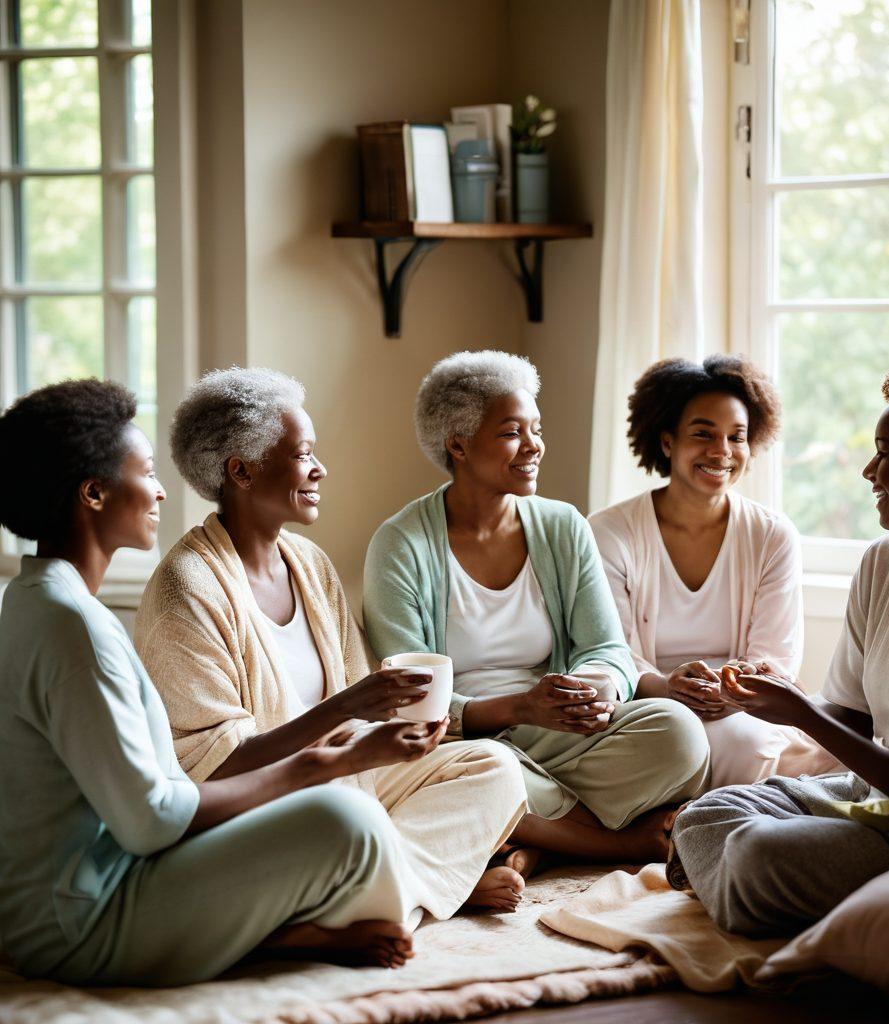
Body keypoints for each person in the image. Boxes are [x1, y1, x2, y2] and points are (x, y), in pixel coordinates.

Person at [0, 379, 452, 986]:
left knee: (384, 800)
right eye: (148, 472)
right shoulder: (78, 630)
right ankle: (290, 932)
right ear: (94, 493)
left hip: (90, 889)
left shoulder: (36, 600)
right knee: (350, 822)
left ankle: (282, 931)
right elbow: (152, 821)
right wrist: (323, 764)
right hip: (84, 922)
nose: (162, 489)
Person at [134, 368, 528, 929]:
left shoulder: (311, 565)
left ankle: (380, 892)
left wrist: (390, 736)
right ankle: (422, 887)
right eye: (302, 454)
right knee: (344, 817)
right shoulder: (185, 588)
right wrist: (346, 711)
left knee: (494, 767)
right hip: (261, 807)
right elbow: (212, 769)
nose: (320, 469)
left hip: (345, 782)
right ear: (241, 471)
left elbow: (352, 719)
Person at [672, 359, 889, 937]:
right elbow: (852, 718)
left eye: (885, 452)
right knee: (705, 814)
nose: (869, 470)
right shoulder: (887, 561)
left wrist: (798, 711)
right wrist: (767, 699)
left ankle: (738, 885)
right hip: (885, 797)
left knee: (761, 854)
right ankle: (740, 887)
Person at [363, 350, 710, 866]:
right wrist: (519, 707)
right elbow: (411, 705)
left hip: (557, 731)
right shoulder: (400, 544)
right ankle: (608, 842)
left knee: (679, 733)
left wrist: (593, 688)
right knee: (485, 772)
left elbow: (606, 646)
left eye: (536, 429)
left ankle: (531, 836)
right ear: (458, 445)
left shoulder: (561, 526)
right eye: (511, 433)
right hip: (466, 743)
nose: (534, 447)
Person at [589, 355, 839, 788]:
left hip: (744, 708)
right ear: (667, 442)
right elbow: (609, 651)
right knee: (699, 743)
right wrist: (667, 686)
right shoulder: (609, 531)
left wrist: (729, 693)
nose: (721, 451)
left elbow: (775, 657)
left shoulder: (772, 535)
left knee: (761, 743)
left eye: (736, 437)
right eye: (703, 434)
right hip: (646, 704)